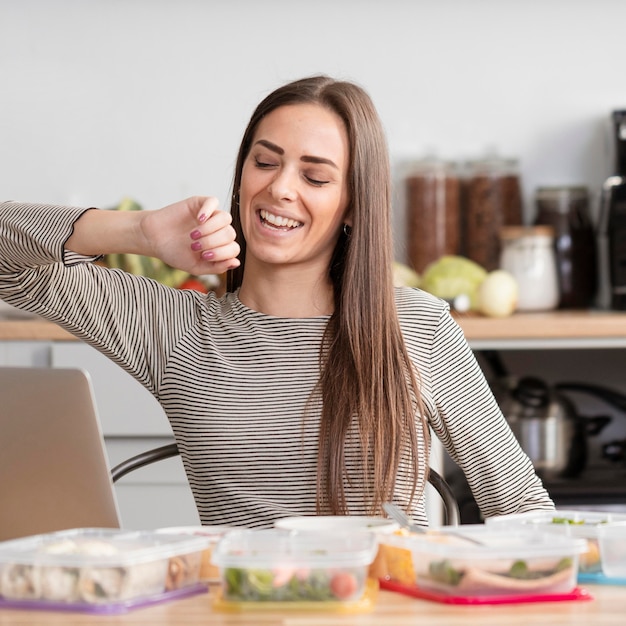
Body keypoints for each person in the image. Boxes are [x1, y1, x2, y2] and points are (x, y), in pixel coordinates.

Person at [0, 75, 554, 528]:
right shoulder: (171, 328)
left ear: (353, 205)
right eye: (265, 163)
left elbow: (525, 511)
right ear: (241, 175)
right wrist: (141, 232)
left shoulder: (415, 325)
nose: (281, 188)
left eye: (314, 176)